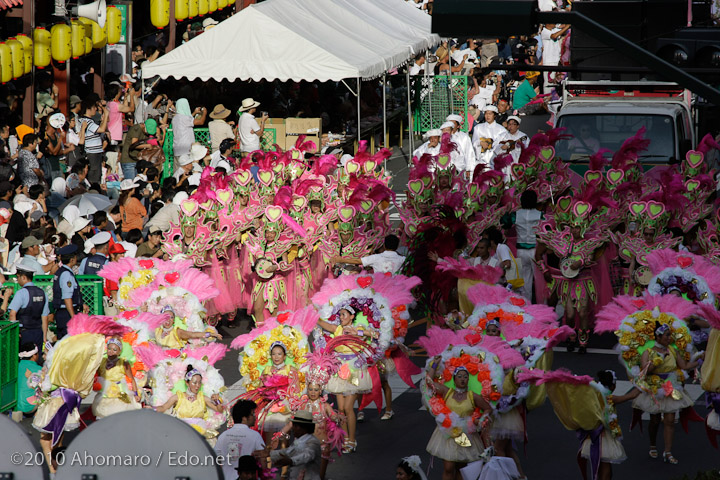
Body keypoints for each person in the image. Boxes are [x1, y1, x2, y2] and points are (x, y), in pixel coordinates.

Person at [637, 322, 703, 464]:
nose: (669, 338)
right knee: (654, 420)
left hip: (671, 387)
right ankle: (653, 444)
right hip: (655, 388)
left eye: (670, 335)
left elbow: (684, 366)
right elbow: (644, 371)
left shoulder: (673, 351)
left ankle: (668, 452)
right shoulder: (648, 352)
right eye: (667, 335)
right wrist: (657, 361)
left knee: (669, 421)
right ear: (658, 337)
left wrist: (699, 361)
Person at [260, 410, 322, 480]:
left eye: (295, 426)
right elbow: (288, 452)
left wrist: (291, 461)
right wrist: (269, 454)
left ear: (302, 428)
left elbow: (307, 455)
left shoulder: (313, 442)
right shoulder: (299, 440)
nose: (292, 429)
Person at [215, 400, 266, 480]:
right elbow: (263, 462)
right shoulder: (255, 436)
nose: (255, 417)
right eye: (252, 414)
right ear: (244, 418)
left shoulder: (223, 436)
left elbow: (215, 461)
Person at [91, 337, 141, 418]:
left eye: (114, 350)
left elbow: (131, 379)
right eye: (109, 349)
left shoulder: (123, 363)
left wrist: (136, 394)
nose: (111, 352)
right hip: (104, 396)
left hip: (119, 396)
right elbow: (97, 377)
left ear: (119, 352)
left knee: (118, 418)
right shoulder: (102, 361)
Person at [8, 266, 50, 352]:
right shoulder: (43, 293)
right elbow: (45, 317)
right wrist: (44, 337)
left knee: (22, 359)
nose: (17, 279)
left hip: (24, 333)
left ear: (23, 277)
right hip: (38, 332)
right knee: (36, 359)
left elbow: (12, 314)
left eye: (18, 277)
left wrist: (14, 333)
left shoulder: (21, 293)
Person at [514, 190, 542, 300]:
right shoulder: (540, 215)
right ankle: (542, 307)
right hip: (536, 251)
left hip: (521, 251)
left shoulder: (515, 214)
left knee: (525, 281)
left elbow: (505, 222)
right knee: (539, 280)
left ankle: (527, 306)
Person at [52, 244, 84, 339]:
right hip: (66, 313)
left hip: (62, 312)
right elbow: (67, 298)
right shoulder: (67, 274)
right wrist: (73, 316)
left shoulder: (60, 271)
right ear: (72, 259)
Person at [78, 97, 109, 184]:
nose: (96, 109)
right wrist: (106, 114)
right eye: (94, 107)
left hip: (93, 152)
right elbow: (102, 130)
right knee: (95, 176)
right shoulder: (87, 121)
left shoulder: (84, 120)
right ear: (88, 108)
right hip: (93, 153)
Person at [13, 343, 42, 422]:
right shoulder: (39, 369)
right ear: (34, 356)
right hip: (30, 406)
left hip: (14, 404)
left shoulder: (14, 367)